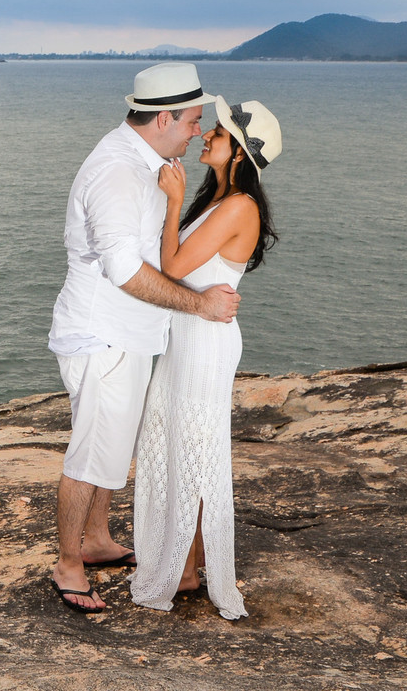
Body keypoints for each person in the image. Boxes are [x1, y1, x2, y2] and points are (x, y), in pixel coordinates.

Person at [47, 63, 241, 613]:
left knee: (112, 444)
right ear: (163, 119)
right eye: (193, 121)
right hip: (102, 334)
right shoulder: (118, 171)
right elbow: (124, 270)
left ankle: (96, 539)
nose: (198, 131)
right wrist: (200, 304)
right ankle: (68, 564)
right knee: (91, 453)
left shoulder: (150, 164)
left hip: (128, 333)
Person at [129, 96, 283, 620]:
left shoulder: (239, 206)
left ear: (238, 152)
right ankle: (185, 564)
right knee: (177, 448)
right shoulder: (218, 199)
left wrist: (173, 201)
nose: (206, 135)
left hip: (204, 342)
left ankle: (188, 569)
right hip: (186, 335)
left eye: (218, 132)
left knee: (193, 453)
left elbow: (172, 266)